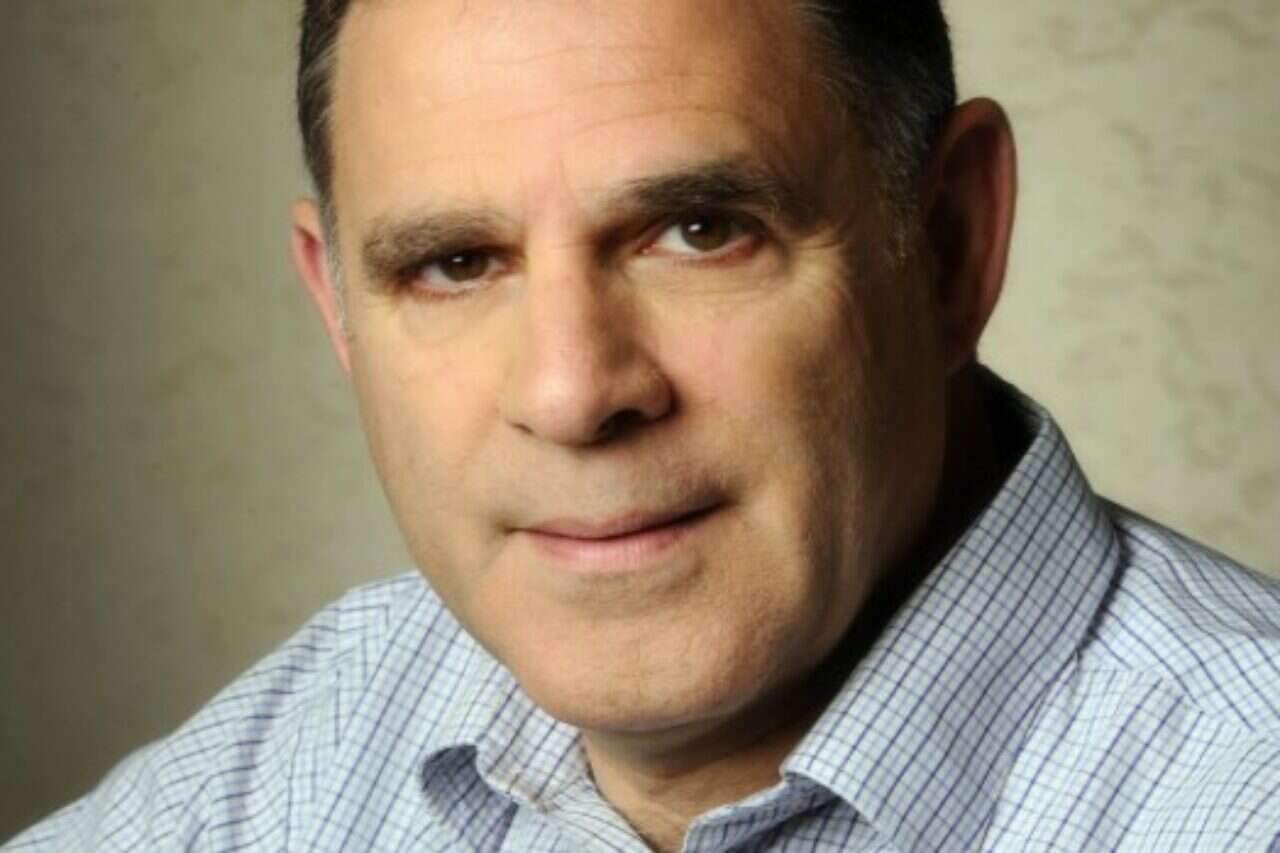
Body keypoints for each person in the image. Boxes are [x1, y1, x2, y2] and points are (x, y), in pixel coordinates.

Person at [7, 1, 1279, 850]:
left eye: (698, 230)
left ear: (946, 244)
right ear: (336, 305)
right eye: (455, 263)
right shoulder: (289, 766)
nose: (572, 392)